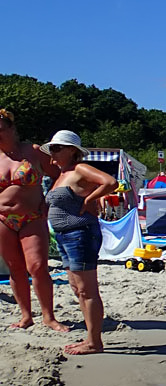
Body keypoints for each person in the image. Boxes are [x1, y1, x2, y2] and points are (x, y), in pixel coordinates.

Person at [41, 130, 117, 354]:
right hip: (65, 236)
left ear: (72, 151)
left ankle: (94, 342)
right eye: (51, 148)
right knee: (77, 289)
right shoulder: (61, 174)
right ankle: (90, 337)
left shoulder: (80, 169)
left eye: (56, 148)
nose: (52, 153)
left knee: (87, 290)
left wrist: (90, 199)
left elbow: (110, 182)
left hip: (80, 233)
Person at [0, 110, 69, 332]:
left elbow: (60, 175)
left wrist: (49, 201)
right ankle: (26, 316)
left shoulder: (33, 151)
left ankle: (49, 316)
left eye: (0, 129)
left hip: (33, 216)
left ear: (11, 128)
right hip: (2, 219)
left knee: (38, 266)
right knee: (15, 268)